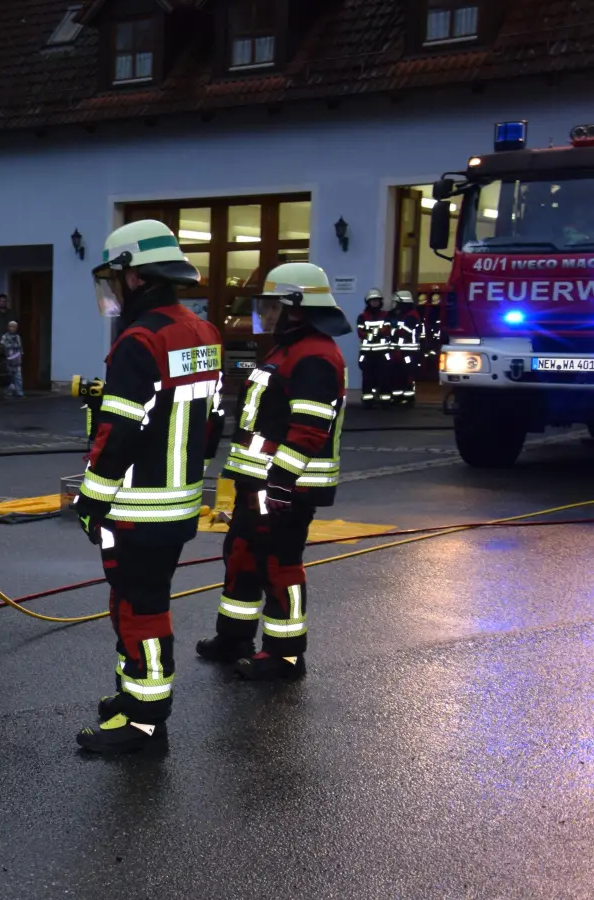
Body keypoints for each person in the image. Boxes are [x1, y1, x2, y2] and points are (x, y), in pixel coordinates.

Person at [70, 220, 225, 755]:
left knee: (140, 607)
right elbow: (212, 422)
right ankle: (130, 698)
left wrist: (90, 500)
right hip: (179, 500)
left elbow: (115, 435)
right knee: (134, 602)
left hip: (135, 506)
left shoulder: (139, 341)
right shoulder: (203, 332)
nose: (112, 290)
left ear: (136, 276)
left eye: (116, 278)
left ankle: (144, 723)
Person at [196, 262, 349, 682]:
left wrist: (281, 483)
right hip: (258, 482)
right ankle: (234, 639)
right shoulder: (287, 348)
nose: (264, 314)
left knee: (279, 564)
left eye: (270, 305)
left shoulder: (316, 356)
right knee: (242, 557)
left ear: (295, 308)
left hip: (286, 487)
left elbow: (308, 429)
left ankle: (284, 655)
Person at [355, 289, 390, 407]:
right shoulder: (362, 317)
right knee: (367, 378)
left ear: (380, 302)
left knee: (384, 377)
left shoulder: (386, 315)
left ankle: (384, 401)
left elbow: (387, 330)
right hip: (367, 353)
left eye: (376, 301)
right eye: (372, 301)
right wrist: (377, 334)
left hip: (382, 352)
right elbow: (361, 333)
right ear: (368, 302)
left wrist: (372, 333)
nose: (375, 303)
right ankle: (368, 400)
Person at [389, 290, 420, 406]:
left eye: (397, 303)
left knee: (407, 374)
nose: (395, 305)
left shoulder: (412, 316)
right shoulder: (401, 315)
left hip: (409, 351)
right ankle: (398, 397)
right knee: (397, 374)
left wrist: (394, 327)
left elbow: (405, 331)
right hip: (400, 351)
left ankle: (408, 398)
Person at [0, 320, 25, 398]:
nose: (12, 328)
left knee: (18, 377)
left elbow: (20, 348)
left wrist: (21, 356)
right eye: (11, 326)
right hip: (8, 360)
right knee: (8, 378)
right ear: (8, 327)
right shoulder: (4, 337)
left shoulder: (18, 337)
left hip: (17, 361)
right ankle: (8, 393)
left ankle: (19, 393)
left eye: (14, 327)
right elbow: (1, 347)